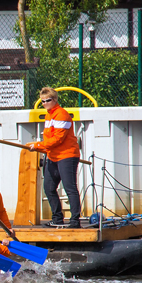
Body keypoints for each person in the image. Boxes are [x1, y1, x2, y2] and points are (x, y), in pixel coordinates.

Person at [29, 87, 83, 227]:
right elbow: (51, 139)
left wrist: (38, 146)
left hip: (67, 156)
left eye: (48, 100)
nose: (45, 103)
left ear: (54, 100)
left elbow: (57, 139)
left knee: (70, 188)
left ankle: (74, 220)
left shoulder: (61, 115)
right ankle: (57, 218)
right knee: (49, 188)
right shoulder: (49, 115)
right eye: (43, 101)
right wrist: (41, 146)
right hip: (53, 156)